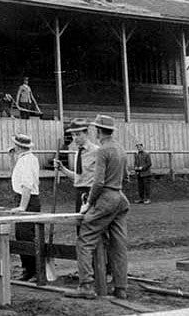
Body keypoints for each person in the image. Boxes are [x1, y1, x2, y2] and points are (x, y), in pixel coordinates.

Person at [66, 115, 129, 300]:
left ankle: (86, 285)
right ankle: (121, 288)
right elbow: (125, 176)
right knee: (118, 245)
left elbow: (99, 182)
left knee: (84, 239)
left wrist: (89, 204)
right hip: (120, 197)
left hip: (106, 198)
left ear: (97, 131)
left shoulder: (102, 150)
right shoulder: (120, 149)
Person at [8, 134, 40, 282]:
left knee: (26, 236)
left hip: (28, 199)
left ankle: (34, 271)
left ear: (19, 147)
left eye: (15, 145)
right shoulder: (24, 159)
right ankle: (28, 269)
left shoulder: (27, 161)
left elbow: (27, 185)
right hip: (23, 197)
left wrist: (22, 206)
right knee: (21, 236)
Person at [58, 118, 99, 212]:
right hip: (79, 192)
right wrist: (62, 169)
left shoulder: (96, 151)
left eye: (78, 134)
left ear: (86, 133)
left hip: (92, 193)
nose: (75, 138)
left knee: (91, 225)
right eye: (73, 135)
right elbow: (77, 176)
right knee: (79, 225)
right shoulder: (77, 153)